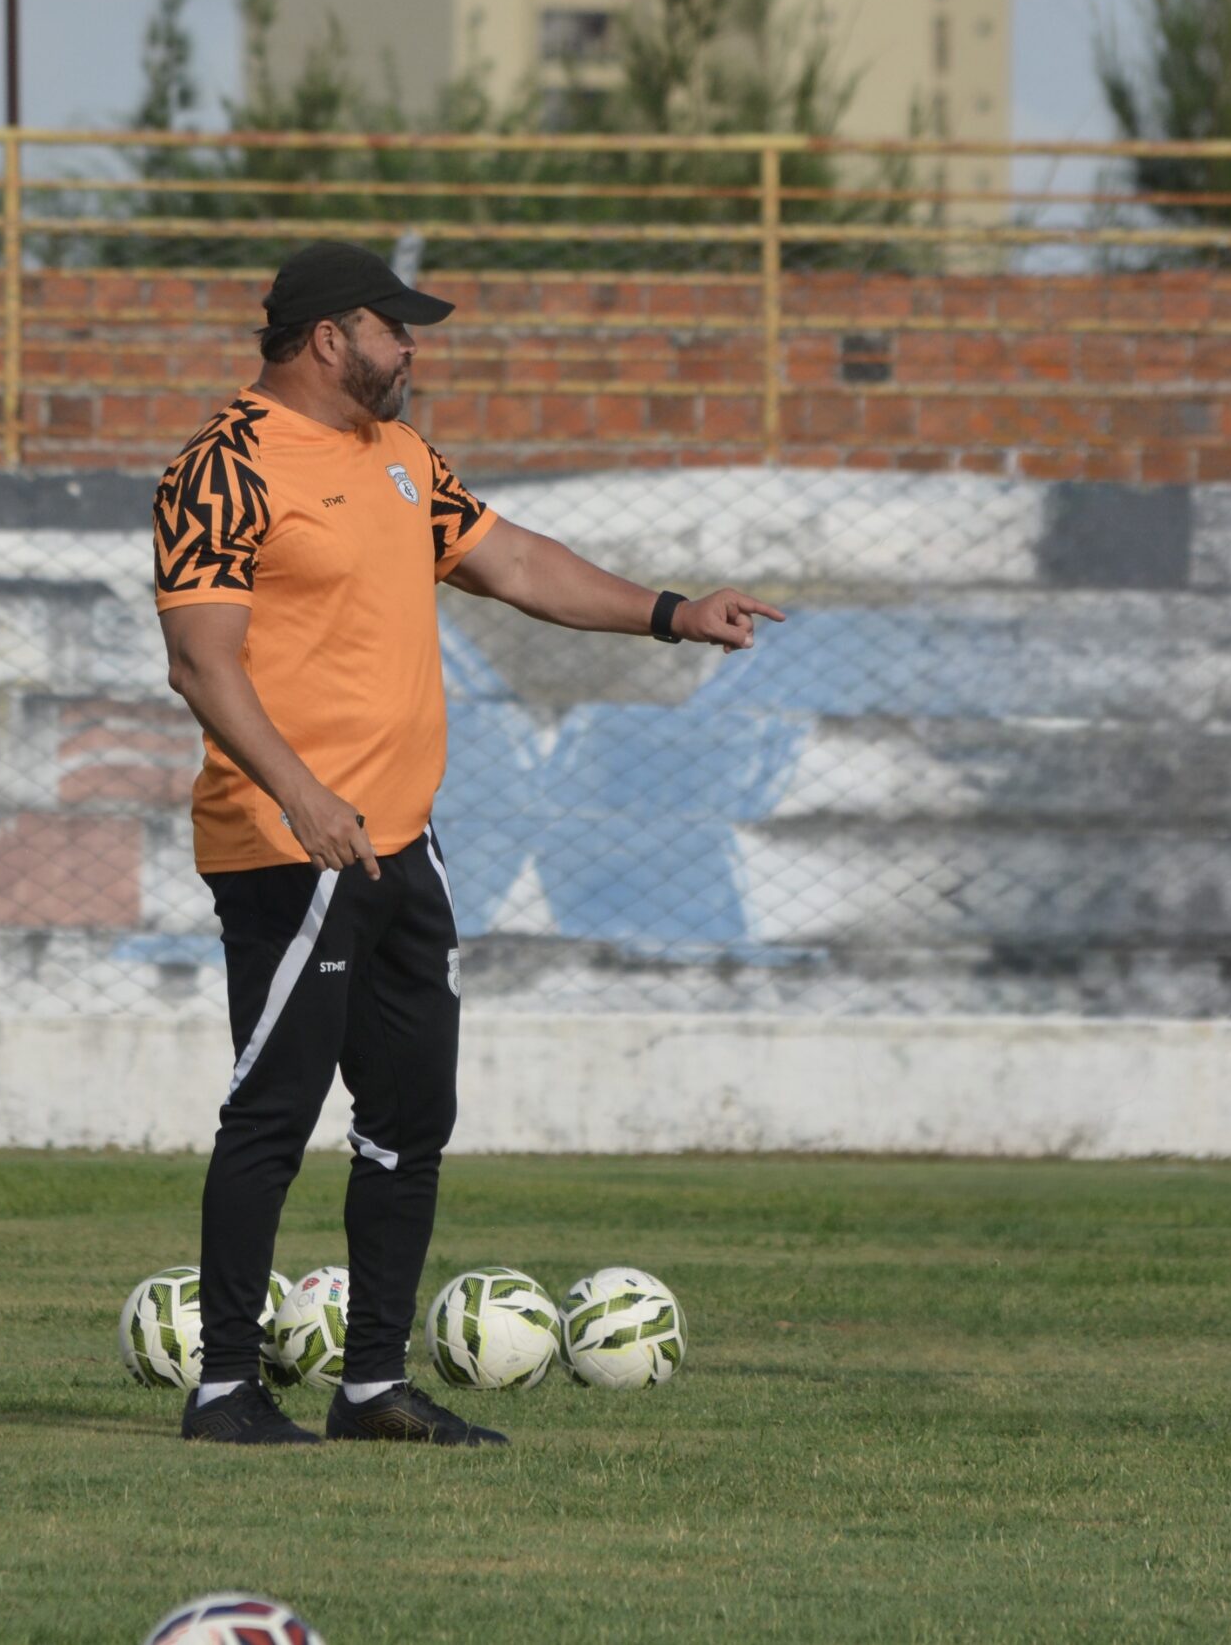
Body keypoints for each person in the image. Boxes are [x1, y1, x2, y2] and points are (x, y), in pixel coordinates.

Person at [151, 241, 784, 1446]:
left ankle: (373, 1386)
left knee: (409, 1117)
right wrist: (297, 793)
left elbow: (514, 561)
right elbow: (201, 661)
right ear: (332, 335)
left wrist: (673, 614)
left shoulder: (398, 459)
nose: (414, 350)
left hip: (399, 844)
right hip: (290, 847)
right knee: (272, 1112)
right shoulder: (221, 467)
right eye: (399, 329)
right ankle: (225, 1388)